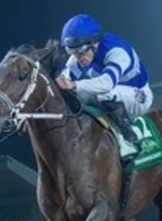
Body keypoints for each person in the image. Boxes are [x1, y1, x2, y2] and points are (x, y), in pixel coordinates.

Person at [55, 14, 152, 157]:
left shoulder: (116, 51)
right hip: (116, 93)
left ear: (93, 44)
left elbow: (107, 84)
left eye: (80, 53)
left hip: (138, 96)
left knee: (101, 93)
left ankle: (129, 137)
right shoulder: (80, 56)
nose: (78, 58)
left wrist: (74, 84)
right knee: (78, 95)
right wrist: (61, 80)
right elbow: (64, 77)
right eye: (73, 53)